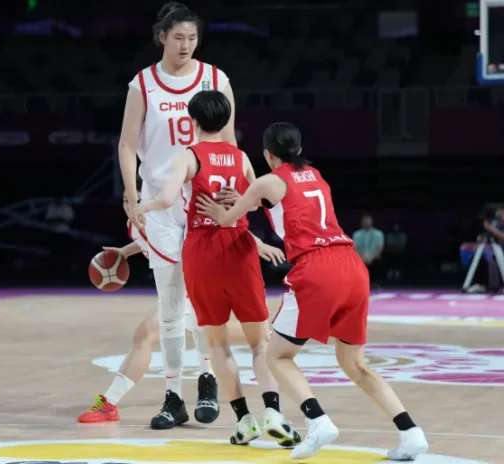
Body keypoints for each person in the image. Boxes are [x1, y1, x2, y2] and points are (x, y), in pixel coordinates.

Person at [195, 122, 428, 461]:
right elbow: (280, 200)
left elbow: (229, 219)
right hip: (351, 267)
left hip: (317, 269)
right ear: (300, 150)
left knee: (277, 356)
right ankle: (411, 432)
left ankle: (317, 421)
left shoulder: (266, 181)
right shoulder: (316, 175)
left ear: (267, 155)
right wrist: (247, 199)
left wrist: (220, 211)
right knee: (355, 363)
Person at [135, 91, 301, 448]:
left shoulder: (188, 155)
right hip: (239, 247)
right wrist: (240, 205)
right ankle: (273, 413)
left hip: (201, 250)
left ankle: (244, 420)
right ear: (226, 121)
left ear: (193, 121)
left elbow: (166, 199)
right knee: (260, 343)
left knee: (217, 342)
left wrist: (140, 206)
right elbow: (255, 202)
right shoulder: (240, 157)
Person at [118, 2, 237, 429]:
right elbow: (127, 144)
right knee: (170, 305)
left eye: (192, 38)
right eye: (179, 37)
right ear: (162, 37)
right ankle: (173, 396)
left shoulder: (216, 79)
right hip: (160, 204)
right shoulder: (143, 83)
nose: (186, 45)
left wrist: (231, 192)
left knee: (204, 299)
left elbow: (228, 142)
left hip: (205, 200)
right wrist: (132, 196)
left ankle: (207, 380)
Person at [78, 189, 217, 423]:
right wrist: (125, 251)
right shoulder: (134, 226)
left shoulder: (170, 214)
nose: (130, 205)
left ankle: (110, 404)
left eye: (135, 200)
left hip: (199, 283)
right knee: (150, 335)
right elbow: (147, 241)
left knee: (148, 334)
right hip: (181, 288)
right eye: (126, 200)